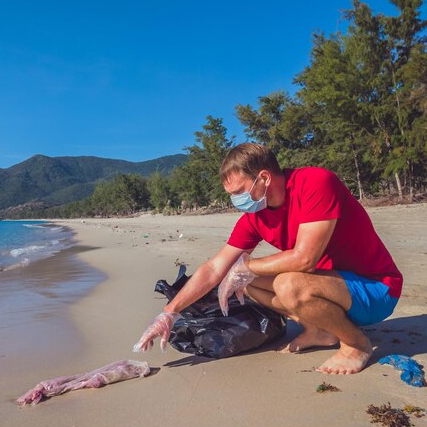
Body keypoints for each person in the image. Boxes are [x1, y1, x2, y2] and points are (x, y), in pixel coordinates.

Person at [133, 143, 402, 375]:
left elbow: (305, 259)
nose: (235, 200)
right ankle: (321, 329)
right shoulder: (254, 218)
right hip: (331, 290)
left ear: (263, 178)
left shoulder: (315, 183)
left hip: (376, 289)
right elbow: (215, 267)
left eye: (239, 191)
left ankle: (355, 342)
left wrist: (245, 266)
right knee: (245, 282)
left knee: (285, 283)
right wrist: (169, 314)